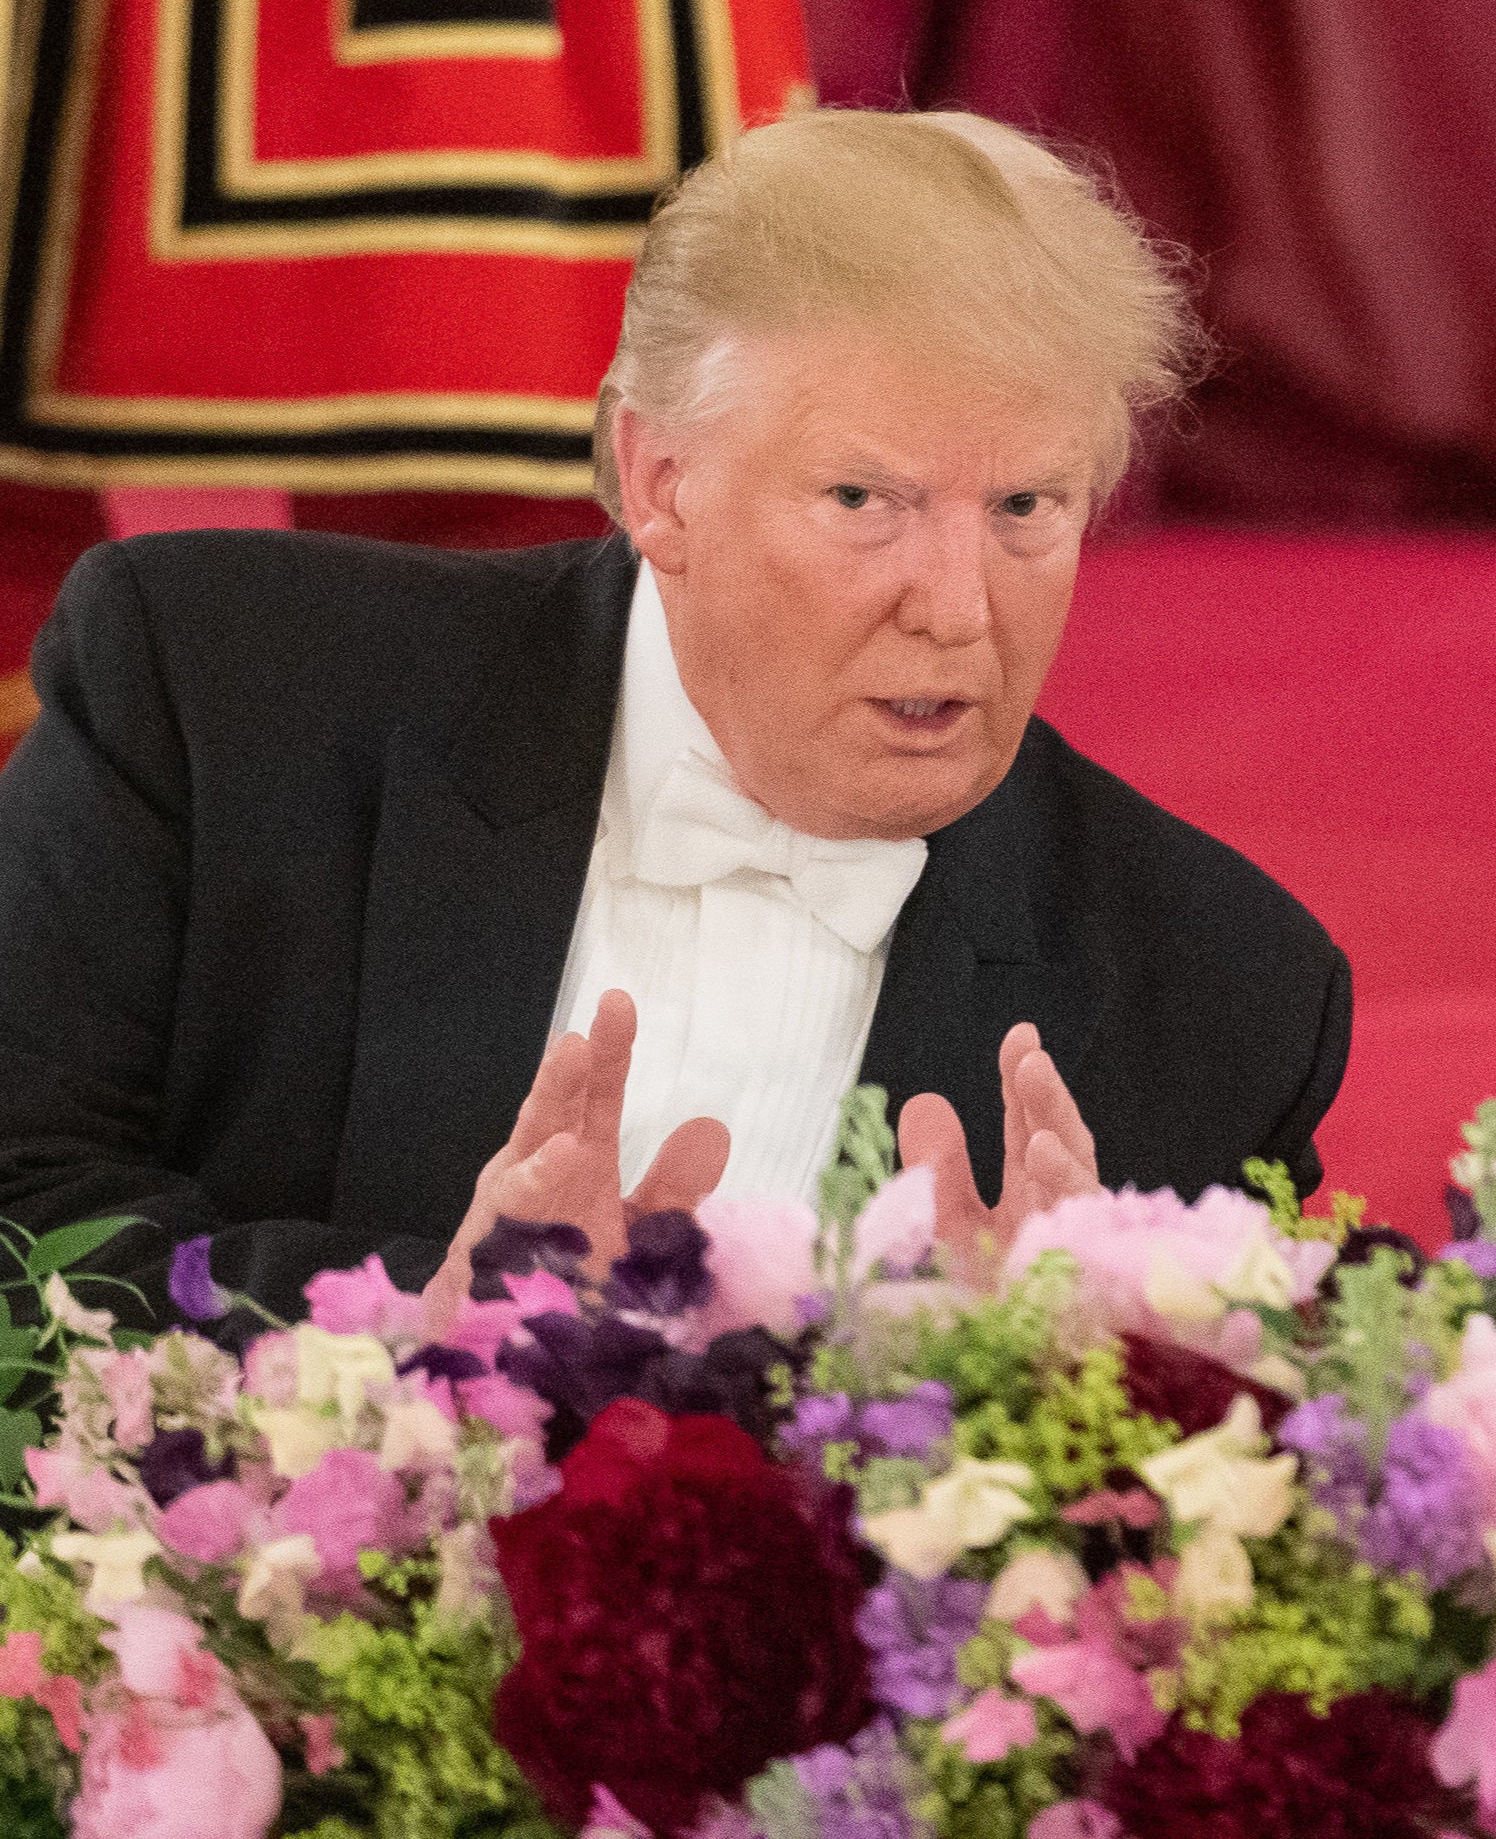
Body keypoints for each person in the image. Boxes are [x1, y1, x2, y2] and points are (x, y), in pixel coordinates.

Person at [0, 109, 1352, 1322]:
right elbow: (24, 1202)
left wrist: (1069, 1402)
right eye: (861, 500)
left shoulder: (1221, 994)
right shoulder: (223, 695)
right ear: (660, 478)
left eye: (1024, 508)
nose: (957, 608)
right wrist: (411, 1329)